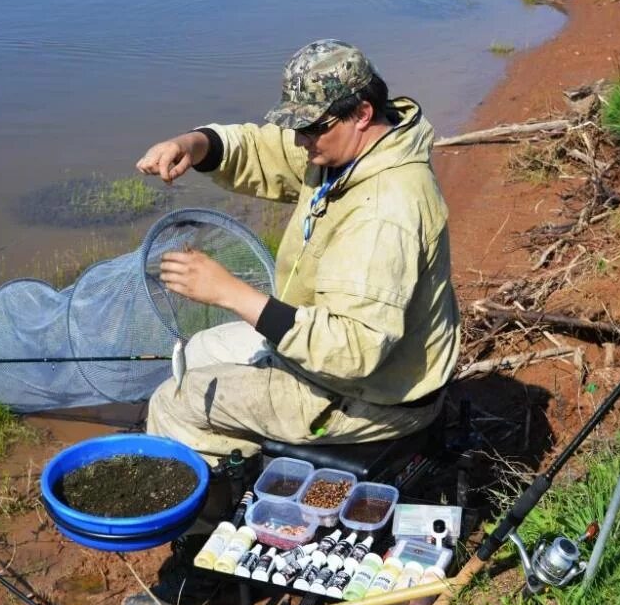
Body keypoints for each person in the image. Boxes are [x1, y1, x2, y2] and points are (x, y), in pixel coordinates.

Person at [136, 38, 460, 467]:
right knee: (197, 351)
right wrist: (193, 144)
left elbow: (352, 352)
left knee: (172, 404)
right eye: (296, 126)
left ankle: (221, 512)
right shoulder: (347, 151)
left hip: (368, 396)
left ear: (362, 113)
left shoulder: (384, 211)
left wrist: (229, 293)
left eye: (309, 128)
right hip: (319, 347)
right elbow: (262, 149)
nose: (300, 140)